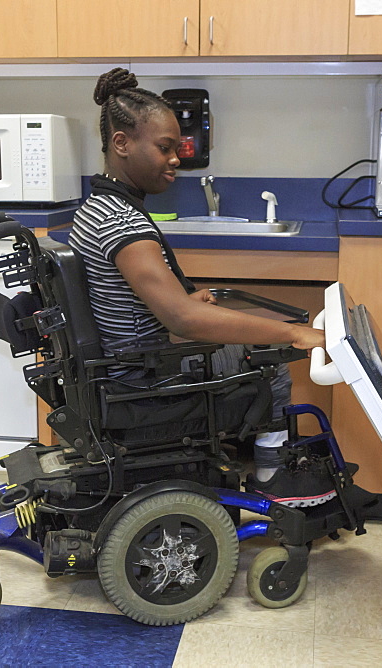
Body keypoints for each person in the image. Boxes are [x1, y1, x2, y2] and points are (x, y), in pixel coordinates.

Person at [69, 68, 334, 507]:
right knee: (272, 362)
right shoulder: (123, 222)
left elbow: (125, 297)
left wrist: (180, 300)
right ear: (122, 143)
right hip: (144, 377)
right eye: (165, 148)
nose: (177, 158)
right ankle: (273, 484)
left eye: (177, 148)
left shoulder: (95, 208)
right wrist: (293, 334)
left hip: (122, 360)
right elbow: (183, 320)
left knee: (247, 338)